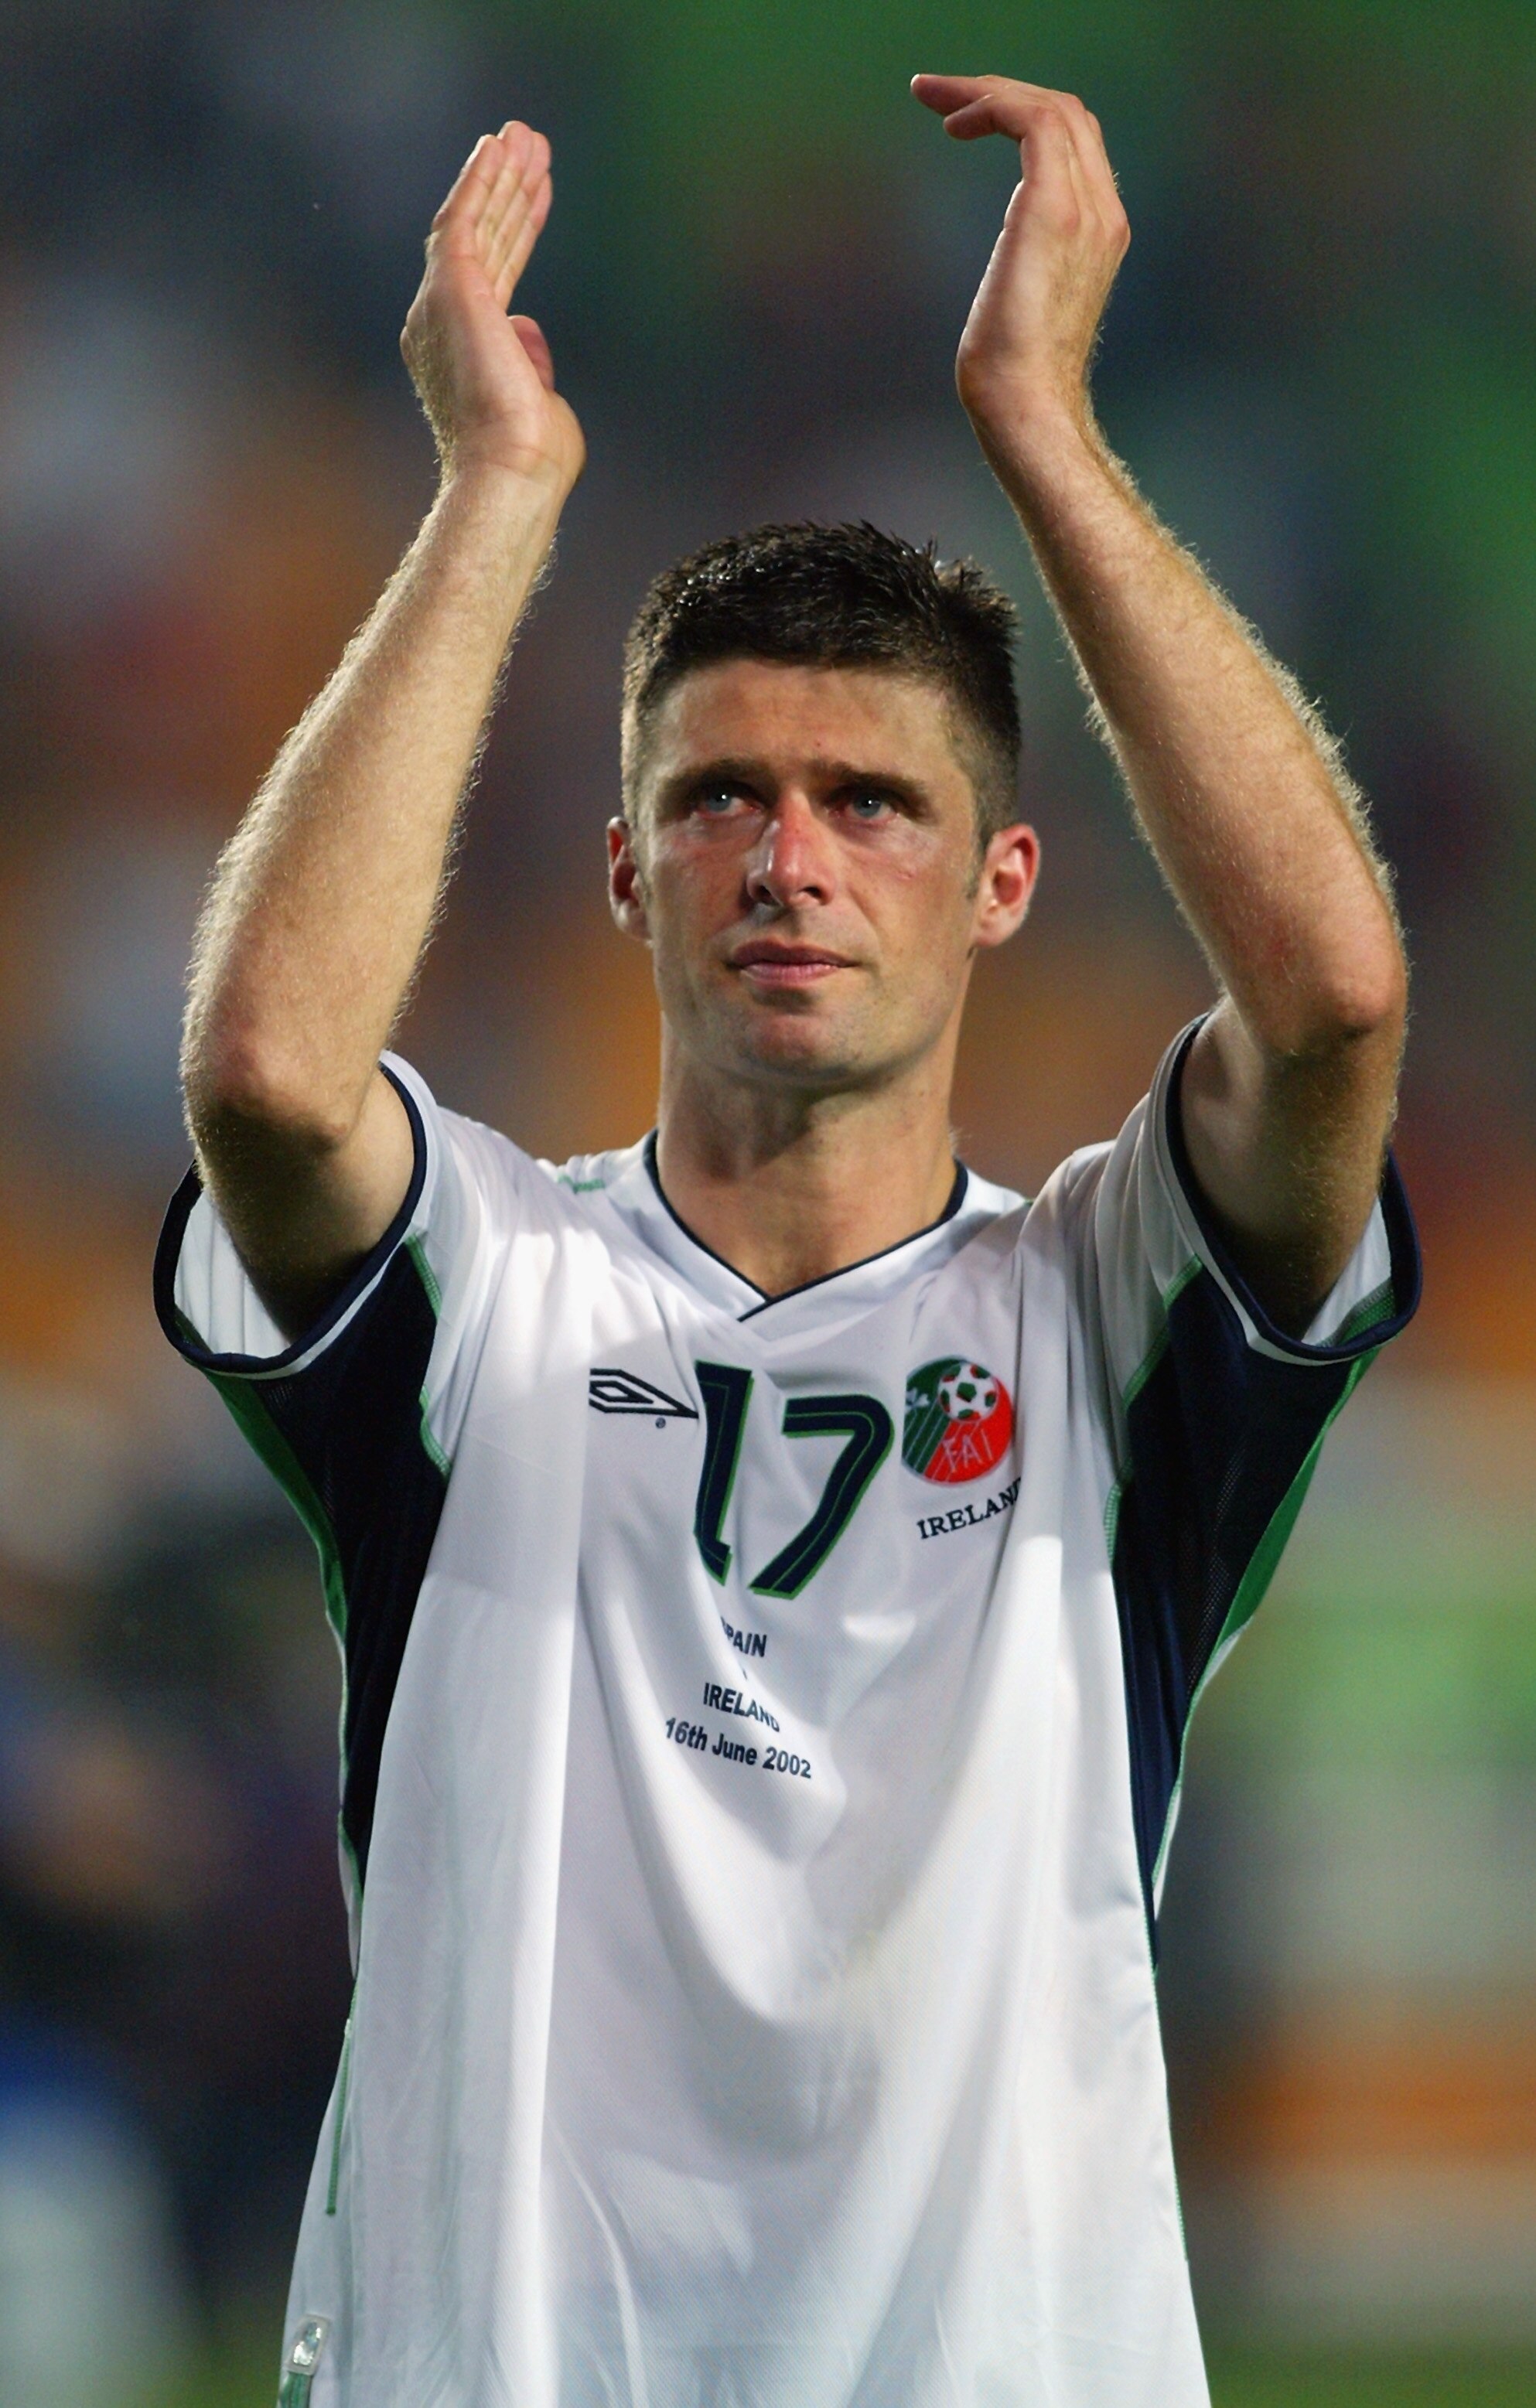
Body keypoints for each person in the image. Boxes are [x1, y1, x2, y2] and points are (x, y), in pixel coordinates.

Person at [155, 72, 1418, 2408]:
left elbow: (1333, 994)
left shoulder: (1104, 1317)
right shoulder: (487, 1300)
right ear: (628, 870)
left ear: (999, 884)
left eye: (872, 804)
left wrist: (1039, 424)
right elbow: (261, 1077)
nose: (788, 857)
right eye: (717, 795)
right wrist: (489, 493)